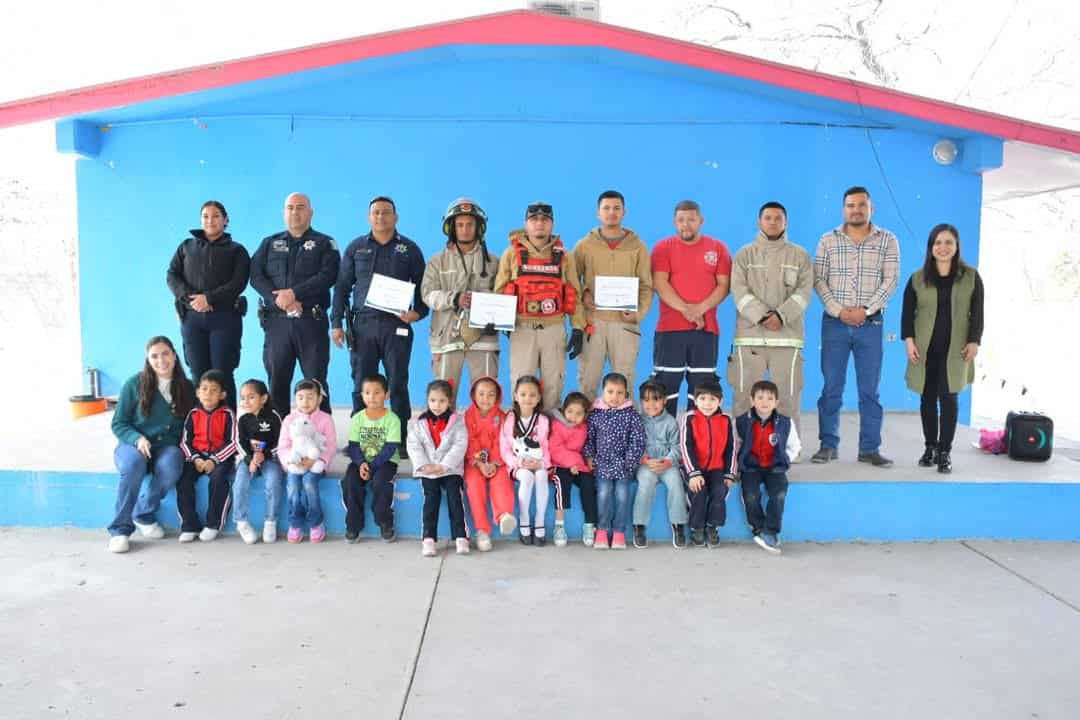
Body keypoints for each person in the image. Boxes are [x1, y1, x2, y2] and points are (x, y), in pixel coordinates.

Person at [811, 186, 900, 467]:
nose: (856, 210)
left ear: (871, 208)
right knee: (831, 387)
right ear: (843, 209)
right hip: (834, 324)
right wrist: (839, 311)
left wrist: (865, 310)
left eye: (861, 205)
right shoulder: (828, 240)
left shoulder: (888, 240)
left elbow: (891, 280)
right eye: (850, 205)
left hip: (871, 324)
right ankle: (828, 445)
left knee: (869, 391)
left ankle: (869, 448)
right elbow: (818, 280)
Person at [332, 197, 427, 451]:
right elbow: (342, 287)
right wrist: (336, 323)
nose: (380, 217)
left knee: (397, 383)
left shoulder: (409, 249)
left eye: (386, 213)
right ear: (368, 217)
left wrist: (417, 313)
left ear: (395, 217)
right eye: (375, 213)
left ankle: (400, 441)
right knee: (361, 383)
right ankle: (360, 440)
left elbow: (424, 288)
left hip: (396, 326)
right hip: (362, 325)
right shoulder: (356, 248)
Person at [901, 224, 984, 474]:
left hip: (956, 351)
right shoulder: (917, 277)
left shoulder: (970, 276)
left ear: (957, 246)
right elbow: (907, 314)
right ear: (931, 247)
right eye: (938, 242)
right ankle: (930, 447)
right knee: (927, 398)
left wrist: (974, 341)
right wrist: (909, 341)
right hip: (925, 350)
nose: (943, 247)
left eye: (949, 242)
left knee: (949, 398)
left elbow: (978, 313)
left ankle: (945, 452)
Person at [728, 201, 812, 441]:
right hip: (750, 337)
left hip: (787, 339)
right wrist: (763, 316)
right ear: (759, 221)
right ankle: (742, 447)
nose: (773, 222)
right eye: (768, 218)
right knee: (745, 395)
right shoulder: (744, 254)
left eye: (778, 218)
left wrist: (782, 316)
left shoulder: (800, 255)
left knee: (787, 396)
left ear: (785, 222)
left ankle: (788, 448)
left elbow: (804, 291)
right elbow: (739, 290)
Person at [250, 192, 339, 415]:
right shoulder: (269, 243)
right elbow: (255, 276)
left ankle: (322, 437)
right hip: (277, 324)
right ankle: (280, 438)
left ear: (311, 212)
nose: (295, 212)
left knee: (315, 381)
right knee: (277, 381)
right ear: (283, 212)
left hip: (311, 321)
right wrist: (278, 299)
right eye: (290, 207)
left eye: (300, 207)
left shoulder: (325, 243)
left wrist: (294, 293)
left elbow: (328, 275)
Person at [494, 202, 586, 412]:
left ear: (552, 224)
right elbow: (499, 290)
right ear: (526, 224)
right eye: (534, 220)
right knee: (521, 384)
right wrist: (502, 321)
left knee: (553, 384)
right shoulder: (511, 254)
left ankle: (549, 433)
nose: (539, 224)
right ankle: (520, 431)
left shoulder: (564, 255)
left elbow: (574, 293)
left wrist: (578, 327)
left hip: (553, 329)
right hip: (522, 327)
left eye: (545, 220)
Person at [107, 335, 194, 553]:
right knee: (134, 464)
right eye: (154, 356)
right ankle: (120, 530)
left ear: (174, 355)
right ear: (148, 359)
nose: (161, 360)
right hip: (133, 446)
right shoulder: (134, 384)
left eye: (165, 354)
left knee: (174, 462)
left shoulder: (187, 387)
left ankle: (144, 513)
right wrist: (138, 439)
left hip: (165, 447)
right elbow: (118, 423)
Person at [166, 200, 250, 411]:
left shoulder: (236, 250)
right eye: (205, 216)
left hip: (224, 319)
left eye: (215, 216)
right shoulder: (186, 246)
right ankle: (199, 426)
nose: (210, 220)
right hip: (192, 319)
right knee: (198, 373)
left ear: (225, 220)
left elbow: (238, 282)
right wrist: (191, 299)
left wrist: (209, 298)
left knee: (222, 372)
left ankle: (228, 427)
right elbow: (172, 275)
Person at [651, 200, 733, 417]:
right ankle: (665, 446)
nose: (685, 224)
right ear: (674, 222)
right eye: (681, 220)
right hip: (669, 330)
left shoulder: (718, 248)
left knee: (702, 390)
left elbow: (724, 286)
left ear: (701, 221)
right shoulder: (662, 248)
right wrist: (687, 310)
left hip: (705, 330)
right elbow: (660, 284)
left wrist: (700, 309)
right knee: (665, 389)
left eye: (691, 219)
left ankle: (696, 444)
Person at [573, 190, 653, 401]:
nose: (611, 212)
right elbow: (571, 280)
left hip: (624, 324)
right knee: (588, 381)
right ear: (598, 213)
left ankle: (625, 431)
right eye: (606, 208)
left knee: (624, 381)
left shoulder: (638, 247)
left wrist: (638, 314)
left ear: (624, 212)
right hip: (594, 323)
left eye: (616, 208)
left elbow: (646, 285)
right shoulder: (584, 245)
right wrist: (584, 295)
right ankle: (586, 432)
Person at [420, 198, 500, 407]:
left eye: (470, 224)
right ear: (451, 228)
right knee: (442, 396)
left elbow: (503, 296)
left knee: (486, 395)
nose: (465, 230)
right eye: (460, 225)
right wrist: (453, 298)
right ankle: (444, 437)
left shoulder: (493, 262)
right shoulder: (437, 261)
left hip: (483, 336)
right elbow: (427, 294)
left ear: (479, 227)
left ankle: (485, 438)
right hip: (446, 336)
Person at [735, 380, 801, 555]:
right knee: (750, 494)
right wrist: (735, 466)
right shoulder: (742, 421)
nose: (764, 402)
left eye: (770, 398)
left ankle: (770, 531)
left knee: (778, 494)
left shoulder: (785, 422)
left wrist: (785, 459)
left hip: (775, 467)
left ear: (776, 402)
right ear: (752, 400)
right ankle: (758, 528)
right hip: (751, 467)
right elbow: (736, 445)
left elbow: (794, 446)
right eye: (760, 397)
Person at [584, 373, 646, 550]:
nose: (614, 396)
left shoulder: (631, 415)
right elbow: (589, 439)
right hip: (601, 465)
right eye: (610, 391)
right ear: (602, 392)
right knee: (603, 493)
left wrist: (629, 462)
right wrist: (589, 457)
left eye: (620, 392)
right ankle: (602, 530)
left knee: (622, 494)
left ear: (626, 394)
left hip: (624, 466)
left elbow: (638, 440)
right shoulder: (595, 415)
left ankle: (619, 531)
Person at [176, 370, 238, 542]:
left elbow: (233, 442)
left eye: (213, 390)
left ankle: (213, 524)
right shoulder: (193, 414)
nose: (208, 394)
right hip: (196, 457)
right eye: (204, 389)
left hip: (220, 458)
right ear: (197, 392)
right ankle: (190, 525)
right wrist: (195, 458)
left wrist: (214, 460)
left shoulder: (228, 414)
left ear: (222, 394)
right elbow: (184, 442)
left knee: (218, 480)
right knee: (183, 480)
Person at [409, 380, 470, 557]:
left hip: (450, 469)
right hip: (428, 469)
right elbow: (414, 445)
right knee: (431, 499)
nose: (437, 405)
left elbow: (460, 445)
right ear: (427, 401)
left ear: (449, 401)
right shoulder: (419, 423)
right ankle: (428, 538)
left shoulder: (458, 422)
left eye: (442, 401)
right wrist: (424, 465)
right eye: (433, 400)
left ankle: (461, 536)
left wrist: (443, 466)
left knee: (455, 498)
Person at [341, 374, 400, 543]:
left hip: (385, 461)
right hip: (361, 461)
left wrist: (372, 466)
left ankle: (384, 521)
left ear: (386, 395)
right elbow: (353, 445)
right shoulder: (358, 418)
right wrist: (361, 464)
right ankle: (353, 525)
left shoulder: (392, 419)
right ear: (361, 395)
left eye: (377, 392)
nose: (372, 397)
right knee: (350, 482)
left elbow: (390, 448)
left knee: (380, 483)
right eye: (367, 393)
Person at [678, 380, 736, 548]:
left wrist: (729, 473)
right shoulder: (689, 418)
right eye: (702, 398)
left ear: (720, 401)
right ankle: (697, 527)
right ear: (695, 400)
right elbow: (685, 446)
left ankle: (712, 526)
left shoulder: (725, 420)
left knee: (719, 490)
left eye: (712, 399)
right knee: (699, 491)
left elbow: (731, 448)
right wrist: (693, 473)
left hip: (716, 468)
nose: (707, 403)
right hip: (693, 467)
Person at [278, 379, 336, 544]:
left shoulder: (325, 419)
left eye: (310, 397)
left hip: (316, 465)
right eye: (300, 397)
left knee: (309, 482)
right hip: (294, 465)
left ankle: (316, 523)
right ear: (295, 399)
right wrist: (291, 461)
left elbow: (330, 445)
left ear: (319, 399)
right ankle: (295, 523)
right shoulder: (289, 420)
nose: (305, 401)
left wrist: (318, 461)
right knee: (293, 487)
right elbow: (283, 446)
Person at [462, 376, 517, 552]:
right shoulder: (468, 416)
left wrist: (494, 463)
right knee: (474, 485)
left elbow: (502, 442)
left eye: (491, 394)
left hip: (497, 462)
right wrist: (480, 464)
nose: (486, 399)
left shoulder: (502, 417)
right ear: (474, 395)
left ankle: (504, 516)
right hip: (474, 463)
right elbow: (470, 441)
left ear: (498, 397)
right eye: (482, 394)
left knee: (502, 482)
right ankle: (482, 530)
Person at [633, 380, 687, 549]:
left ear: (664, 400)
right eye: (646, 400)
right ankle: (639, 526)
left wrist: (668, 461)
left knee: (676, 484)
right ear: (641, 401)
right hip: (646, 464)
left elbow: (677, 446)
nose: (651, 404)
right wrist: (645, 460)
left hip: (667, 463)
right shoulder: (638, 421)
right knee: (645, 484)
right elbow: (634, 444)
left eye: (656, 399)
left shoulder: (671, 422)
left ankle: (678, 525)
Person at [499, 375, 552, 546]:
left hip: (538, 463)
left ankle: (539, 522)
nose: (527, 398)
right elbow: (505, 448)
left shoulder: (542, 420)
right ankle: (524, 522)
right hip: (518, 465)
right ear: (515, 396)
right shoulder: (510, 418)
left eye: (532, 395)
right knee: (528, 477)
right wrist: (518, 463)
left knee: (542, 475)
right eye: (523, 394)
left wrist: (541, 463)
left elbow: (546, 446)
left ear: (538, 398)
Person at [231, 379, 284, 544]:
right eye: (243, 397)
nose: (246, 401)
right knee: (239, 483)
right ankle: (241, 522)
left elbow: (280, 442)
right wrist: (249, 459)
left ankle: (270, 521)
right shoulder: (243, 419)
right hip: (248, 459)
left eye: (251, 397)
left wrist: (264, 455)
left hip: (270, 458)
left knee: (274, 481)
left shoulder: (274, 417)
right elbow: (238, 443)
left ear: (263, 398)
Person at [549, 391, 595, 547]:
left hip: (578, 465)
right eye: (569, 412)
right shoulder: (557, 425)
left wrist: (580, 463)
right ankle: (559, 525)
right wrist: (571, 463)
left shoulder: (584, 428)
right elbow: (555, 449)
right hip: (560, 464)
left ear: (585, 415)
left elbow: (583, 448)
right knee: (562, 484)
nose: (573, 417)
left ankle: (590, 525)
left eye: (578, 413)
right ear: (563, 410)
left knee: (589, 484)